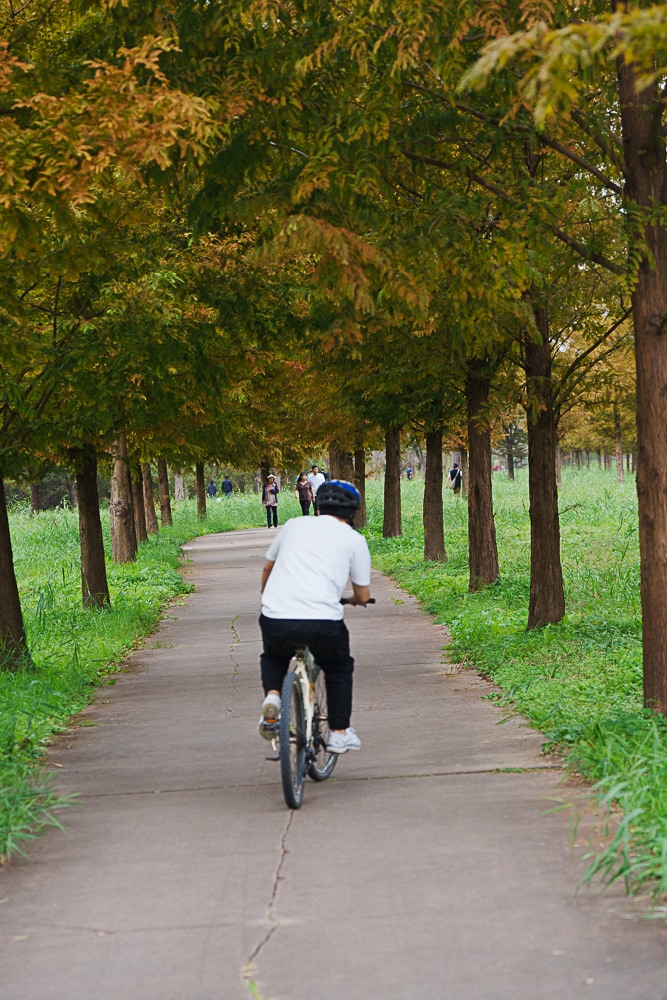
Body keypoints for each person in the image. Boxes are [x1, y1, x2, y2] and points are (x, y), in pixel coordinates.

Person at [258, 480, 371, 754]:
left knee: (273, 656)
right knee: (338, 667)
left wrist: (267, 601)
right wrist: (355, 600)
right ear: (352, 511)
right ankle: (339, 733)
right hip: (322, 621)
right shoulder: (355, 540)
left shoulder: (294, 525)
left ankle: (273, 697)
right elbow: (363, 594)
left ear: (318, 505)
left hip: (276, 615)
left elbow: (267, 568)